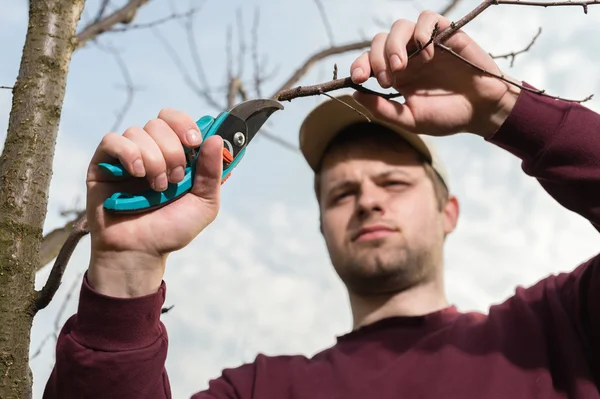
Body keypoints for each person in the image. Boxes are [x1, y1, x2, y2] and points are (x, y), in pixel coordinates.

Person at [43, 10, 600, 399]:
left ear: (448, 211)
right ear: (322, 225)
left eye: (393, 183)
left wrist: (504, 107)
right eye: (342, 193)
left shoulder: (559, 331)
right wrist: (125, 273)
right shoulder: (261, 391)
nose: (367, 202)